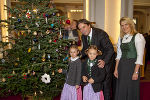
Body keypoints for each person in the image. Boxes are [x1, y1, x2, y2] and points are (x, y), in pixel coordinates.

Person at [78, 19, 114, 100]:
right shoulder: (83, 36)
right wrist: (77, 56)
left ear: (89, 25)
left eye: (84, 27)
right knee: (95, 88)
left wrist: (104, 61)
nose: (82, 30)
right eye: (80, 29)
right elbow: (86, 49)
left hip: (105, 63)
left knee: (105, 88)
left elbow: (110, 49)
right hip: (93, 65)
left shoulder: (101, 34)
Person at [114, 17, 145, 100]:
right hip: (122, 66)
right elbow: (119, 55)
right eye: (122, 25)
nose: (124, 27)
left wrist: (136, 71)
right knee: (121, 87)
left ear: (131, 25)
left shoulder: (138, 36)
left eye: (126, 24)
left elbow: (140, 55)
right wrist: (116, 69)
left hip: (132, 66)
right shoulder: (121, 38)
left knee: (131, 88)